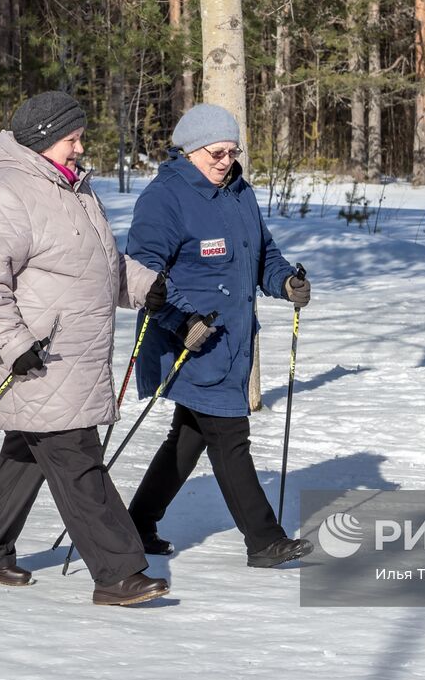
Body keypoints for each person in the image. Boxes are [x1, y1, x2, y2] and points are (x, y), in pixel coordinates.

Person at [0, 90, 173, 606]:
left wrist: (142, 286)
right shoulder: (5, 193)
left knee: (28, 455)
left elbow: (95, 264)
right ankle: (119, 572)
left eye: (79, 137)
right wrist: (13, 345)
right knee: (78, 461)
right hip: (37, 358)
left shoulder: (70, 188)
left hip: (72, 352)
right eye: (70, 139)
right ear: (40, 140)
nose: (79, 147)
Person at [125, 103, 314, 569]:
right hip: (188, 343)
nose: (225, 160)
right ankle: (265, 540)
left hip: (232, 342)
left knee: (189, 436)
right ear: (188, 150)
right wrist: (182, 321)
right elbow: (143, 274)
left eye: (232, 152)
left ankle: (136, 525)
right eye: (215, 152)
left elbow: (262, 252)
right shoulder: (164, 198)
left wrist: (285, 280)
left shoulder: (238, 192)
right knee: (230, 436)